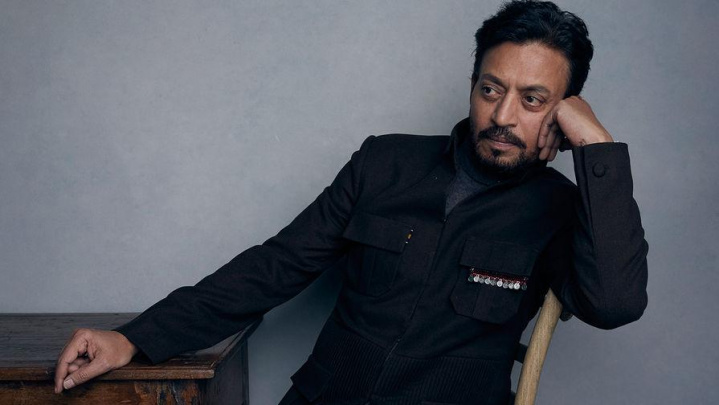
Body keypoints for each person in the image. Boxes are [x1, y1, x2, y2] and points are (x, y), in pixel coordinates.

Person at [54, 1, 648, 403]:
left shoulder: (561, 208)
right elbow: (276, 266)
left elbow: (614, 303)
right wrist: (135, 338)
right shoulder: (384, 163)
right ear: (473, 85)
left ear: (563, 111)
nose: (503, 116)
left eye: (534, 100)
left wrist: (597, 147)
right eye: (491, 89)